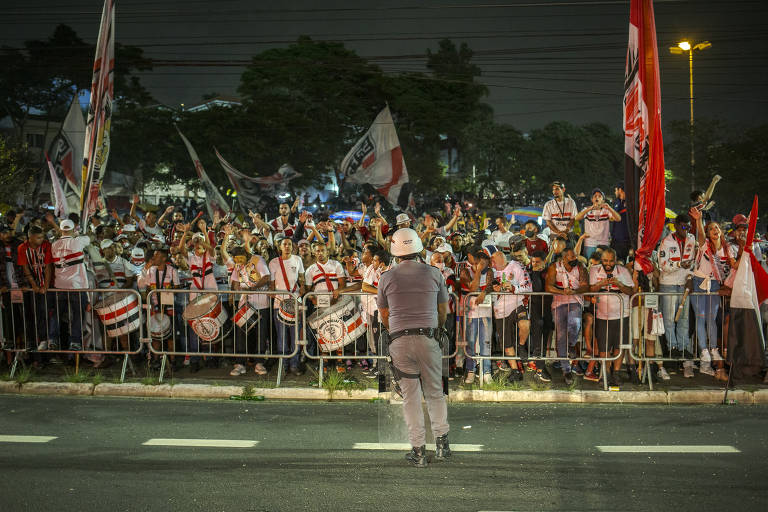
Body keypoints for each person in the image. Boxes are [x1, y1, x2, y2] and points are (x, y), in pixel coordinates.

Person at [377, 227, 450, 468]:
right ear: (418, 248)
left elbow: (384, 315)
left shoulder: (386, 277)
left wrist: (395, 332)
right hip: (428, 339)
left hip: (400, 341)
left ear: (395, 251)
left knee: (410, 397)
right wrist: (435, 329)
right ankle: (441, 444)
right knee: (435, 392)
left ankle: (418, 451)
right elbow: (443, 311)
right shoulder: (434, 273)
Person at [589, 248, 636, 387]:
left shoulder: (623, 271)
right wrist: (600, 284)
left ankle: (616, 373)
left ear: (615, 260)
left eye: (611, 261)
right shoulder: (594, 270)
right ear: (601, 260)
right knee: (604, 347)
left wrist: (619, 285)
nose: (608, 264)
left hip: (622, 314)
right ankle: (605, 373)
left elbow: (631, 291)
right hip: (603, 315)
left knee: (619, 346)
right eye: (605, 261)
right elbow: (589, 289)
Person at [658, 213, 697, 377]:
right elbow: (663, 264)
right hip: (668, 283)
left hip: (683, 284)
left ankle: (682, 347)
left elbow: (694, 261)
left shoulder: (691, 239)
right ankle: (672, 347)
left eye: (688, 227)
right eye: (683, 227)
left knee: (684, 318)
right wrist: (679, 264)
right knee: (668, 318)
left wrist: (690, 277)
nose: (686, 230)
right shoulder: (666, 241)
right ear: (676, 226)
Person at [545, 246, 588, 385]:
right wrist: (563, 292)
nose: (575, 259)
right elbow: (548, 287)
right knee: (561, 335)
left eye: (575, 256)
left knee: (575, 324)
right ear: (564, 258)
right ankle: (566, 369)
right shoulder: (554, 267)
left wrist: (574, 291)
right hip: (558, 303)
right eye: (572, 257)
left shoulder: (580, 267)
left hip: (575, 301)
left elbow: (585, 286)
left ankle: (571, 345)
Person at [50, 219, 91, 351]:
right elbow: (89, 239)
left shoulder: (54, 245)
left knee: (56, 313)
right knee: (78, 314)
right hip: (76, 285)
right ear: (73, 229)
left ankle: (53, 339)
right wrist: (78, 234)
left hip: (59, 285)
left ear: (61, 230)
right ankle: (75, 342)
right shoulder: (77, 241)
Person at [574, 188, 621, 259]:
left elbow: (618, 219)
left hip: (603, 243)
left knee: (603, 265)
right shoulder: (587, 209)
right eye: (595, 196)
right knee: (590, 264)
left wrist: (609, 208)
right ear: (592, 199)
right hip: (590, 243)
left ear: (603, 200)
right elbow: (576, 218)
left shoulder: (606, 211)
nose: (597, 197)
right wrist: (590, 208)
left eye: (599, 196)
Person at [610, 182, 631, 262]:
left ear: (620, 190)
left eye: (616, 190)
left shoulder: (631, 203)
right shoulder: (617, 202)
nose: (615, 192)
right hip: (615, 240)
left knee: (621, 263)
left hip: (625, 240)